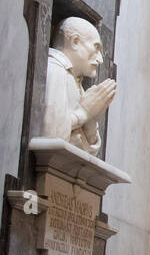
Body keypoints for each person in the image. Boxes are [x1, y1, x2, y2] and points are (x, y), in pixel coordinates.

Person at [42, 16, 115, 155]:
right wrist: (84, 112)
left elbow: (90, 152)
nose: (100, 59)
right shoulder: (55, 69)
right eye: (96, 48)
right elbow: (52, 136)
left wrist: (91, 121)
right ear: (75, 42)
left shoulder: (75, 80)